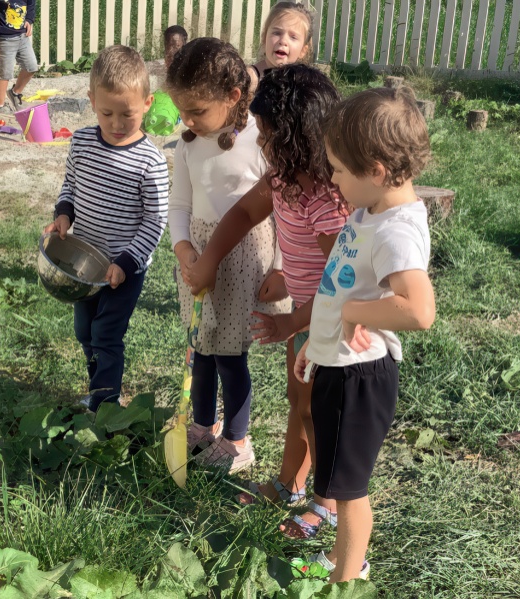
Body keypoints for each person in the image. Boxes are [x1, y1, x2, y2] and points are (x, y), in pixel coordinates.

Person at [186, 65, 348, 536]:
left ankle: (328, 504)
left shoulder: (326, 202)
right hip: (307, 319)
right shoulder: (282, 180)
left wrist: (293, 323)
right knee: (299, 402)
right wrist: (211, 259)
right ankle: (289, 484)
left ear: (299, 138)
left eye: (269, 135)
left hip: (333, 326)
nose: (260, 143)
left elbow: (340, 287)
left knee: (320, 412)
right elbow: (242, 213)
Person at [294, 86, 436, 582]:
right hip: (341, 365)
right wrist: (321, 336)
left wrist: (353, 313)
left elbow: (419, 311)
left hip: (362, 378)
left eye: (336, 169)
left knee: (350, 489)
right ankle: (342, 557)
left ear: (375, 171)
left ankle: (347, 579)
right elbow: (342, 285)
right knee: (337, 474)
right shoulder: (370, 212)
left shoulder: (397, 231)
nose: (331, 178)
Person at [166, 37, 291, 474]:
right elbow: (179, 206)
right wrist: (185, 251)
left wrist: (280, 268)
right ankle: (202, 425)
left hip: (244, 258)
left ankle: (237, 440)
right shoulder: (187, 145)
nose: (188, 120)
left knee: (229, 354)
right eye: (183, 111)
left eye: (197, 111)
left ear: (233, 96)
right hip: (199, 253)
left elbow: (284, 209)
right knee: (200, 346)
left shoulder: (260, 139)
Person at [44, 46, 169, 413]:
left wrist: (127, 263)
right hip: (84, 266)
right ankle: (97, 388)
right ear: (91, 101)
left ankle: (106, 405)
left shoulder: (150, 161)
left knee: (106, 335)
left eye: (127, 114)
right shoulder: (82, 143)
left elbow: (154, 221)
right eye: (106, 112)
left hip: (122, 269)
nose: (116, 123)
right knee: (85, 332)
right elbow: (70, 185)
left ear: (146, 104)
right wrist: (63, 214)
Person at [0, 0, 39, 113]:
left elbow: (31, 3)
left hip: (23, 37)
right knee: (5, 73)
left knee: (31, 67)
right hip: (5, 39)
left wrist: (29, 20)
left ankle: (15, 92)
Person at [249, 2, 315, 94]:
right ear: (264, 39)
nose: (283, 41)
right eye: (277, 33)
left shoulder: (303, 84)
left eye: (293, 37)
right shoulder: (251, 78)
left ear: (303, 51)